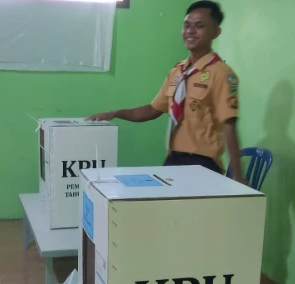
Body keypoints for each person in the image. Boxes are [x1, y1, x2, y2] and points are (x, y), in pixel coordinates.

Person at [86, 1, 246, 183]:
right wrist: (116, 113)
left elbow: (229, 125)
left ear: (216, 32)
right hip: (173, 159)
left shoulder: (222, 74)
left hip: (203, 164)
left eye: (199, 26)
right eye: (187, 25)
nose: (190, 31)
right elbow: (153, 110)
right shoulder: (177, 72)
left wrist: (238, 176)